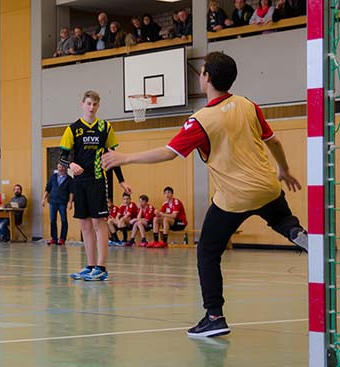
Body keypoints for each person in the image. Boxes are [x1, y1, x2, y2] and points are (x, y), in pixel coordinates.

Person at [102, 51, 308, 337]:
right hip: (268, 186)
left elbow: (168, 153)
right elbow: (273, 141)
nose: (200, 75)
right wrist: (283, 170)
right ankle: (297, 232)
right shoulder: (248, 105)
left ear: (208, 77)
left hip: (234, 197)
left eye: (200, 71)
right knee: (282, 219)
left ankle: (214, 316)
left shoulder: (201, 120)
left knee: (207, 252)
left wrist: (125, 158)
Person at [63, 90, 132, 282]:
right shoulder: (72, 129)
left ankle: (101, 267)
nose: (91, 107)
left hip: (98, 180)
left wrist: (121, 180)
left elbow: (113, 156)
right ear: (82, 104)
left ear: (98, 106)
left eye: (95, 104)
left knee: (98, 222)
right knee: (84, 224)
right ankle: (90, 265)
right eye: (88, 104)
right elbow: (63, 156)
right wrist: (71, 165)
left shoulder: (105, 127)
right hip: (80, 183)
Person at [42, 162, 73, 245]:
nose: (61, 168)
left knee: (64, 220)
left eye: (63, 167)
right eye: (59, 167)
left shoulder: (69, 179)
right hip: (52, 202)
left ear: (66, 168)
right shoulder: (53, 177)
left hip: (63, 202)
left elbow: (71, 192)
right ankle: (54, 238)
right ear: (57, 168)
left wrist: (70, 202)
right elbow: (47, 189)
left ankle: (62, 238)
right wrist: (43, 199)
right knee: (52, 220)